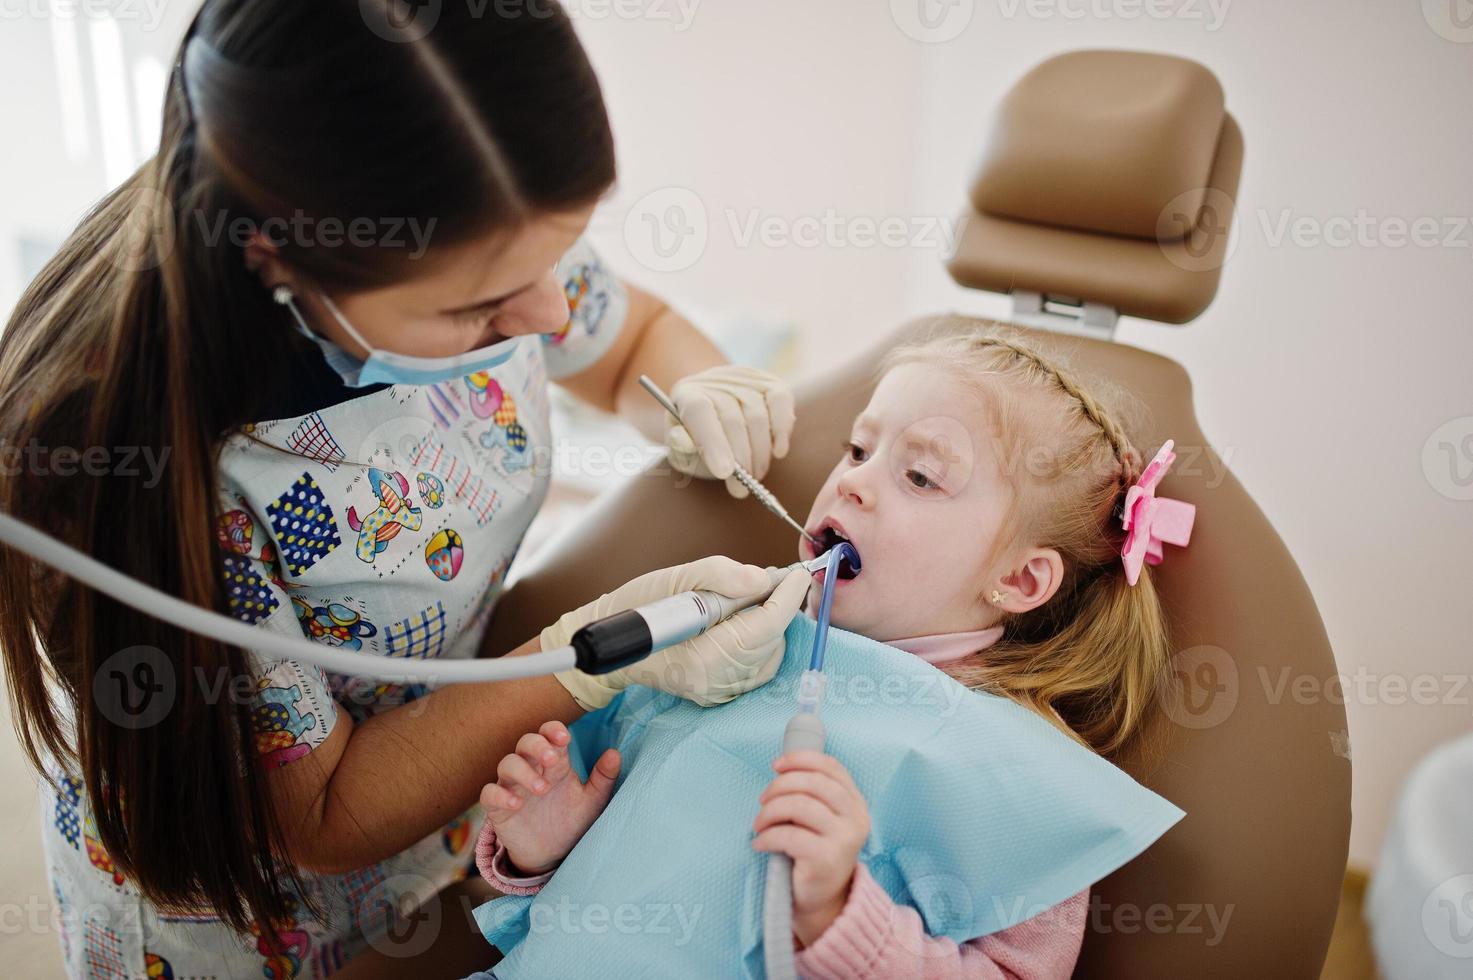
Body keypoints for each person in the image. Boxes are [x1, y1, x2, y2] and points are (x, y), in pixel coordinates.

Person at [0, 2, 806, 976]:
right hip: (255, 912)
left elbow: (630, 334)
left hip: (454, 828)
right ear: (277, 254)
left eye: (553, 260)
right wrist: (582, 660)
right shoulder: (154, 480)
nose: (548, 313)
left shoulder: (477, 227)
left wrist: (696, 382)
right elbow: (327, 813)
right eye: (477, 309)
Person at [477, 325, 1189, 978]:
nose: (850, 480)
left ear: (1017, 579)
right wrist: (551, 849)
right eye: (857, 449)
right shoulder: (724, 647)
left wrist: (839, 916)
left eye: (919, 476)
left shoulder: (1016, 783)